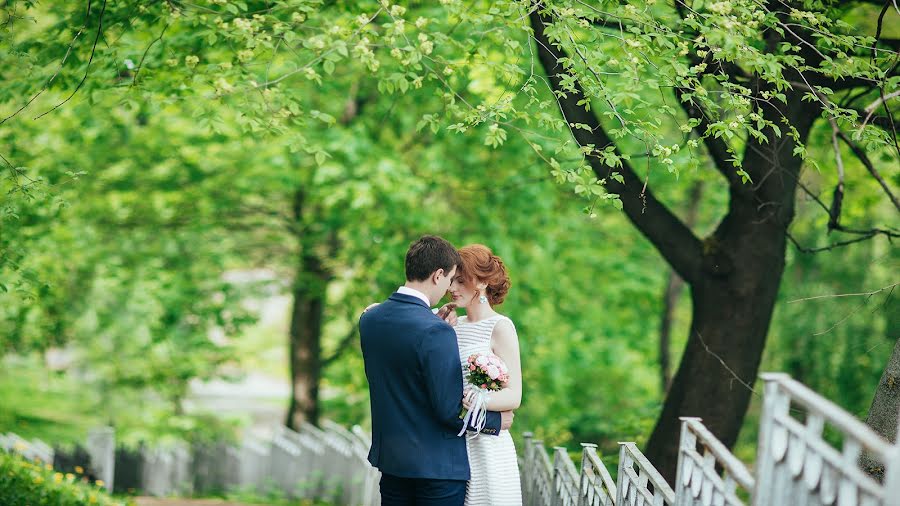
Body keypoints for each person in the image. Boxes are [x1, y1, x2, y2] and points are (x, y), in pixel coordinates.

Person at [359, 235, 514, 506]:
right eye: (451, 278)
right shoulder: (437, 329)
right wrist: (495, 422)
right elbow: (446, 408)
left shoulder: (370, 319)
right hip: (439, 467)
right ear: (438, 274)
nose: (450, 288)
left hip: (393, 463)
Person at [451, 244, 522, 506]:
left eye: (460, 281)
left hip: (489, 444)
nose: (452, 288)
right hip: (454, 442)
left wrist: (478, 402)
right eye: (451, 280)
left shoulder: (500, 327)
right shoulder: (451, 323)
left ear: (480, 282)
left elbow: (514, 395)